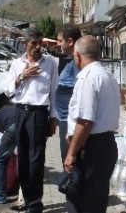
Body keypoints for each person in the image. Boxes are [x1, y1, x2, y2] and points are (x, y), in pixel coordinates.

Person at [4, 28, 59, 213]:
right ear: (24, 44)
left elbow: (54, 93)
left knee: (36, 159)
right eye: (33, 43)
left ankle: (35, 204)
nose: (37, 47)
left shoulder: (50, 63)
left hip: (39, 114)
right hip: (20, 112)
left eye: (40, 43)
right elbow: (8, 90)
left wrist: (53, 119)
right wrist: (22, 76)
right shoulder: (16, 64)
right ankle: (27, 200)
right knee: (23, 159)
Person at [64, 36, 120, 213]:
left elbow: (86, 121)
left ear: (78, 55)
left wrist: (71, 153)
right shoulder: (108, 76)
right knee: (97, 200)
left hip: (92, 148)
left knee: (82, 200)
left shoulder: (87, 78)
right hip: (106, 145)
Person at [55, 24, 81, 163]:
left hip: (69, 122)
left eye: (60, 41)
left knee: (69, 164)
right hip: (65, 119)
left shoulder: (77, 62)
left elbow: (80, 91)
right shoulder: (73, 60)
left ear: (70, 41)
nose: (58, 44)